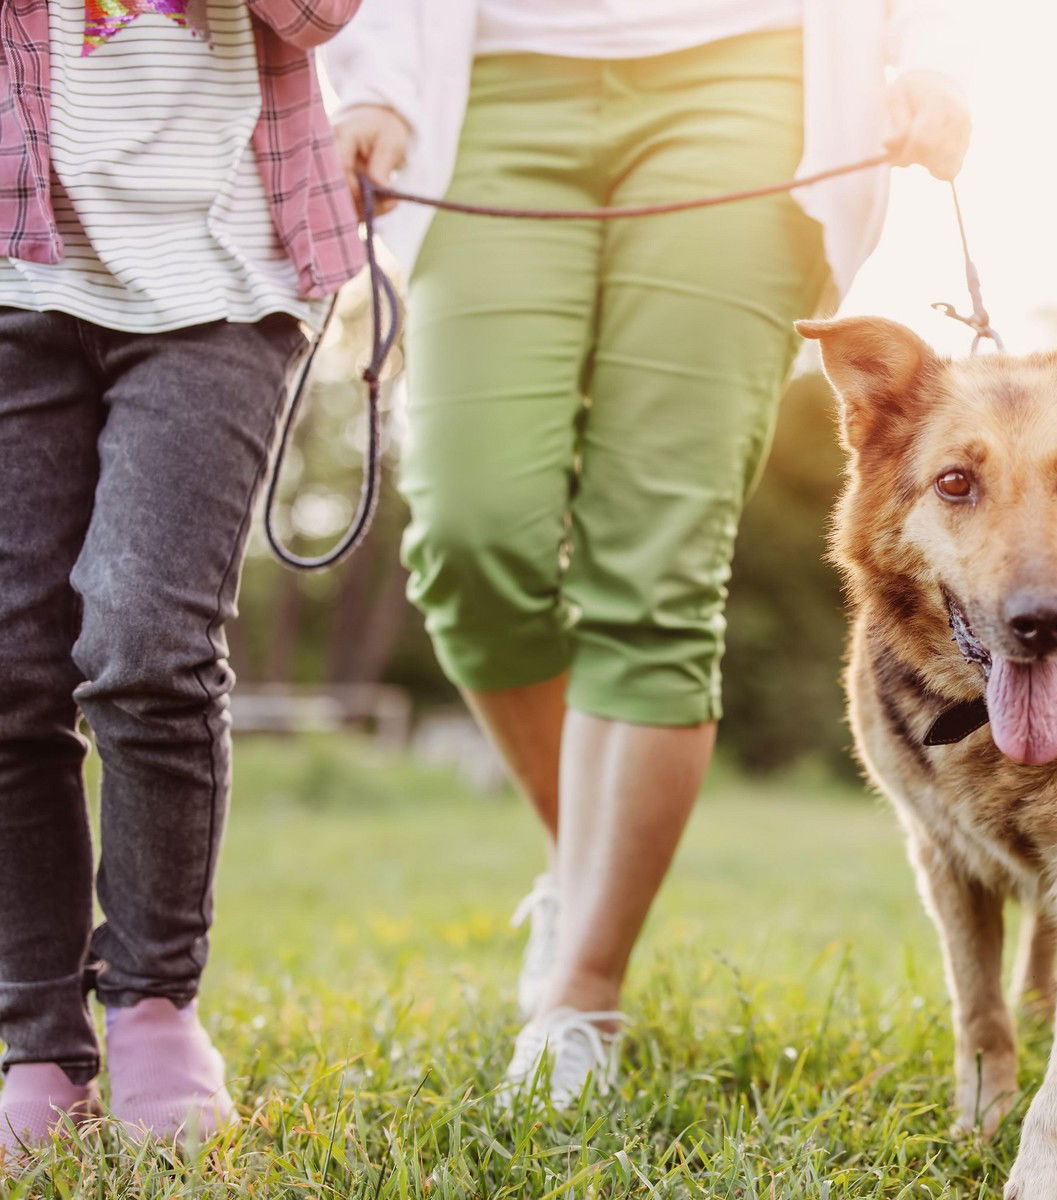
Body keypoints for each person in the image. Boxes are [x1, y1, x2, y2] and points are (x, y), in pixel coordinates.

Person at [324, 0, 971, 1106]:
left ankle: (580, 997)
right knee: (476, 537)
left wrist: (938, 55)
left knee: (658, 565)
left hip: (751, 82)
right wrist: (369, 81)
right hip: (484, 85)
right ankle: (587, 871)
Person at [0, 0, 362, 1155]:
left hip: (224, 274)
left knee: (145, 638)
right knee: (9, 665)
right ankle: (40, 1044)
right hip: (22, 267)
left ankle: (154, 1006)